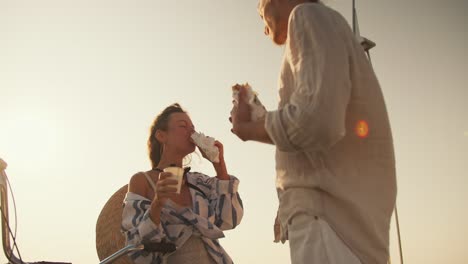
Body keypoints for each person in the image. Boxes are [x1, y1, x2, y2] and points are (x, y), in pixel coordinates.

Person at [230, 0, 396, 263]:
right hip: (345, 230)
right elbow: (319, 123)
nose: (264, 28)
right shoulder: (328, 25)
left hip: (328, 225)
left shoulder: (306, 15)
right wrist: (261, 120)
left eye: (261, 13)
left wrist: (250, 129)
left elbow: (317, 121)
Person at [122, 103, 243, 264]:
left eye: (193, 127)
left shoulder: (199, 181)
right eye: (183, 126)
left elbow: (229, 220)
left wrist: (220, 167)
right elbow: (138, 249)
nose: (192, 131)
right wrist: (157, 204)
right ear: (161, 136)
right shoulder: (143, 180)